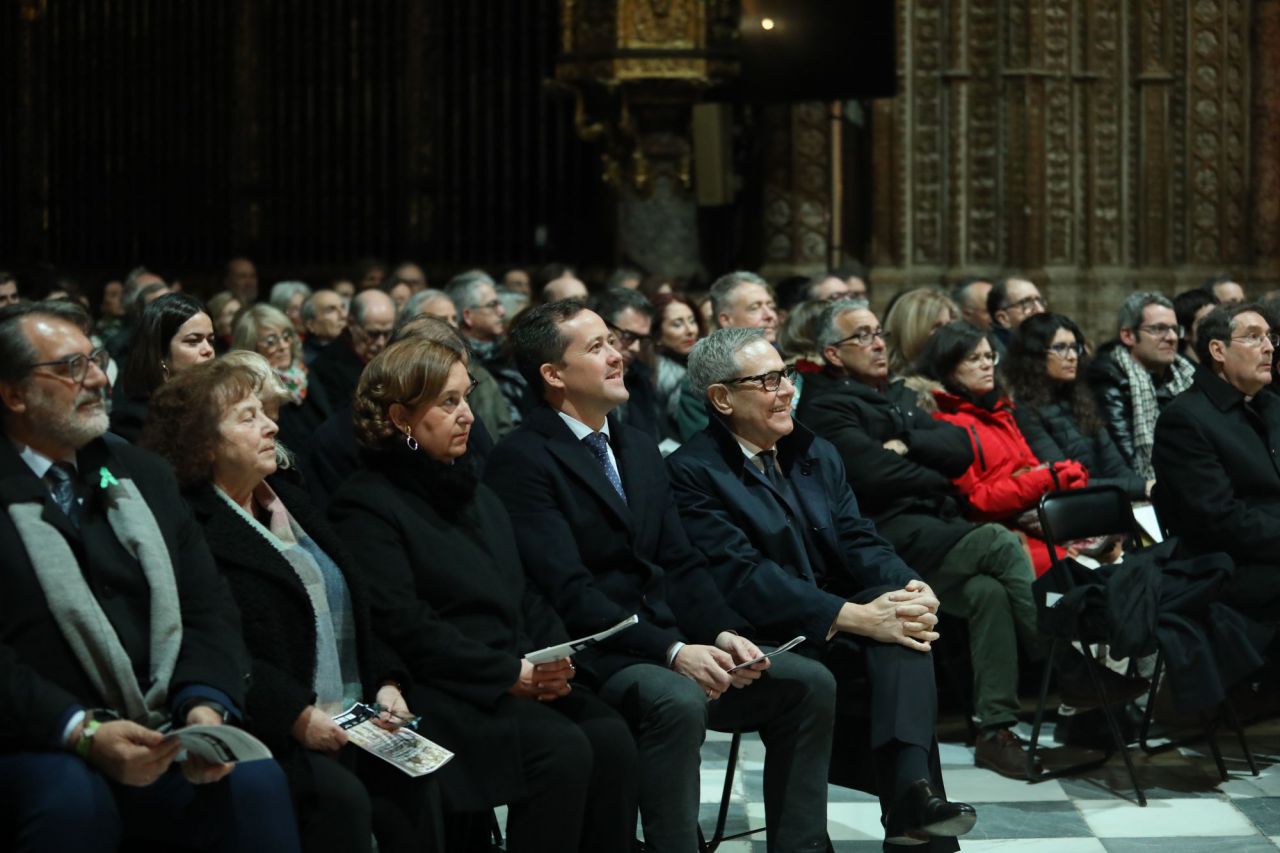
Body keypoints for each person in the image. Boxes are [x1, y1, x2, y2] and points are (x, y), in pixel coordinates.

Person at [486, 299, 837, 853]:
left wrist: (721, 633)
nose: (616, 355)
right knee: (676, 698)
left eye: (613, 341)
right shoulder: (524, 458)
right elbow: (569, 591)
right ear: (553, 375)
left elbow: (682, 562)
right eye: (596, 347)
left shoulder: (637, 445)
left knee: (807, 681)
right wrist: (675, 651)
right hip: (599, 655)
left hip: (669, 639)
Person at [0, 301, 299, 853]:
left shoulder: (140, 471)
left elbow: (207, 607)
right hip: (38, 735)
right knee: (70, 799)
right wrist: (80, 732)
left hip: (165, 718)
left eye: (96, 359)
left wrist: (204, 707)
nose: (96, 378)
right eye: (71, 368)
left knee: (253, 778)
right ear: (14, 394)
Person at [668, 326, 980, 842]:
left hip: (831, 621)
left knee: (903, 624)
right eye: (767, 380)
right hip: (754, 638)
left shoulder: (813, 451)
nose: (787, 389)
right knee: (888, 635)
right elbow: (743, 576)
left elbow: (859, 537)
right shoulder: (692, 472)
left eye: (786, 374)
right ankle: (912, 808)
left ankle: (911, 793)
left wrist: (908, 585)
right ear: (721, 398)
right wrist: (854, 617)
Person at [328, 336, 638, 853]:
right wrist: (506, 675)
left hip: (506, 677)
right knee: (558, 750)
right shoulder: (365, 505)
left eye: (466, 397)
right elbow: (406, 624)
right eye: (448, 402)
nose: (468, 415)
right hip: (440, 689)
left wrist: (555, 660)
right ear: (402, 416)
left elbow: (526, 594)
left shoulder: (476, 493)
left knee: (610, 737)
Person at [142, 356, 441, 853]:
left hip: (353, 713)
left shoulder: (289, 499)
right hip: (270, 725)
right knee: (338, 798)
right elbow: (215, 642)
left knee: (416, 777)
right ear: (203, 442)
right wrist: (293, 715)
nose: (271, 425)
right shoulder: (188, 524)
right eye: (248, 417)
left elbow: (353, 602)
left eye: (265, 411)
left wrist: (387, 680)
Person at [795, 302, 1060, 779]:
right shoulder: (825, 404)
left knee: (989, 593)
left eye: (879, 332)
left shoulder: (897, 395)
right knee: (1001, 543)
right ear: (833, 354)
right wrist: (931, 468)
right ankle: (1061, 659)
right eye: (863, 337)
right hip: (883, 538)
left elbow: (960, 449)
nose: (879, 343)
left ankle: (995, 729)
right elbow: (872, 474)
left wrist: (907, 440)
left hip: (933, 528)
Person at [916, 321, 1089, 575]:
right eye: (973, 358)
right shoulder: (944, 423)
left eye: (989, 356)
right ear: (948, 366)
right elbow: (975, 500)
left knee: (1114, 560)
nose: (986, 365)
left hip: (1032, 520)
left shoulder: (1000, 412)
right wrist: (1050, 478)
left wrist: (1059, 478)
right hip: (997, 532)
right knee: (1075, 573)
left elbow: (1030, 468)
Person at [1152, 303, 1280, 618]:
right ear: (1217, 350)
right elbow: (1218, 520)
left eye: (1270, 337)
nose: (1268, 348)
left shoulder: (1272, 405)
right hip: (1224, 565)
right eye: (1253, 337)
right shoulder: (1184, 419)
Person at [1006, 313, 1149, 500]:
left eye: (1075, 347)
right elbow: (1065, 481)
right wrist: (1141, 488)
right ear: (1034, 355)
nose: (1072, 356)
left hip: (1108, 499)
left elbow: (1115, 465)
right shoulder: (1024, 411)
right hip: (1074, 508)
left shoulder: (1079, 399)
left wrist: (1144, 490)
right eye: (1060, 348)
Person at [1086, 292, 1195, 480]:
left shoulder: (1188, 372)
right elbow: (1126, 454)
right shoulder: (1109, 378)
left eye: (1174, 329)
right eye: (1159, 329)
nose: (1171, 337)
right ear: (1128, 335)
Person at [674, 271, 778, 440]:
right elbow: (706, 445)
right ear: (726, 320)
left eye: (771, 306)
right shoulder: (705, 376)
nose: (770, 315)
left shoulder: (789, 362)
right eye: (755, 308)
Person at [111, 293, 216, 442]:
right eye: (193, 341)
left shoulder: (215, 401)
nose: (208, 350)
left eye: (211, 341)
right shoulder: (135, 417)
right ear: (160, 351)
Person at [232, 304, 333, 453]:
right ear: (252, 348)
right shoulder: (254, 391)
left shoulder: (304, 374)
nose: (283, 345)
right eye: (271, 341)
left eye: (286, 336)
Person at [447, 270, 527, 426]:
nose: (502, 312)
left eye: (500, 304)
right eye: (492, 305)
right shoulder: (460, 362)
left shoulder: (509, 351)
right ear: (468, 316)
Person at [593, 288, 661, 440]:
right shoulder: (580, 380)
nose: (636, 348)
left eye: (642, 340)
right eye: (628, 336)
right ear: (603, 324)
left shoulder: (641, 378)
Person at [311, 289, 395, 409]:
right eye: (373, 334)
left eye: (387, 333)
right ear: (351, 324)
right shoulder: (326, 367)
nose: (381, 342)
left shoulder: (396, 353)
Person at [651, 292, 702, 442]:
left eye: (692, 321)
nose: (690, 330)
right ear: (657, 335)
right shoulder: (658, 376)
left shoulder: (697, 364)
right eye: (677, 324)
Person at [884, 288, 959, 379]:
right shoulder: (892, 385)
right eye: (937, 326)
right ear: (912, 330)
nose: (947, 332)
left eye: (948, 324)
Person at [986, 275, 1046, 349]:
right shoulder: (991, 355)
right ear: (1003, 318)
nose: (1040, 310)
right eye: (1027, 303)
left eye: (1039, 301)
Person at [300, 289, 348, 365]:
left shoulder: (354, 347)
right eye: (330, 310)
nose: (343, 315)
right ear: (311, 325)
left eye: (343, 307)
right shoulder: (308, 363)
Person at [1173, 288, 1218, 365]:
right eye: (1206, 321)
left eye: (1217, 319)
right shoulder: (1183, 372)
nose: (1216, 326)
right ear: (1186, 333)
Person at [206, 290, 243, 355]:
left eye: (239, 313)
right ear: (217, 318)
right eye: (231, 314)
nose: (237, 318)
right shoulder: (211, 348)